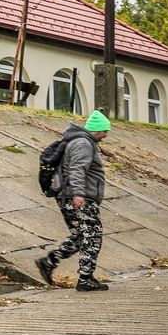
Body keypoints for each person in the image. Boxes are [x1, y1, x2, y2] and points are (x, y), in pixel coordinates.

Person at [36, 110, 111, 292]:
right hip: (78, 197)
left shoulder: (79, 141)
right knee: (93, 235)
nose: (106, 135)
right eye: (104, 131)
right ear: (97, 129)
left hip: (69, 196)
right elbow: (77, 169)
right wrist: (79, 194)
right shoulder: (83, 143)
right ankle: (86, 279)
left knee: (79, 236)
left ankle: (49, 261)